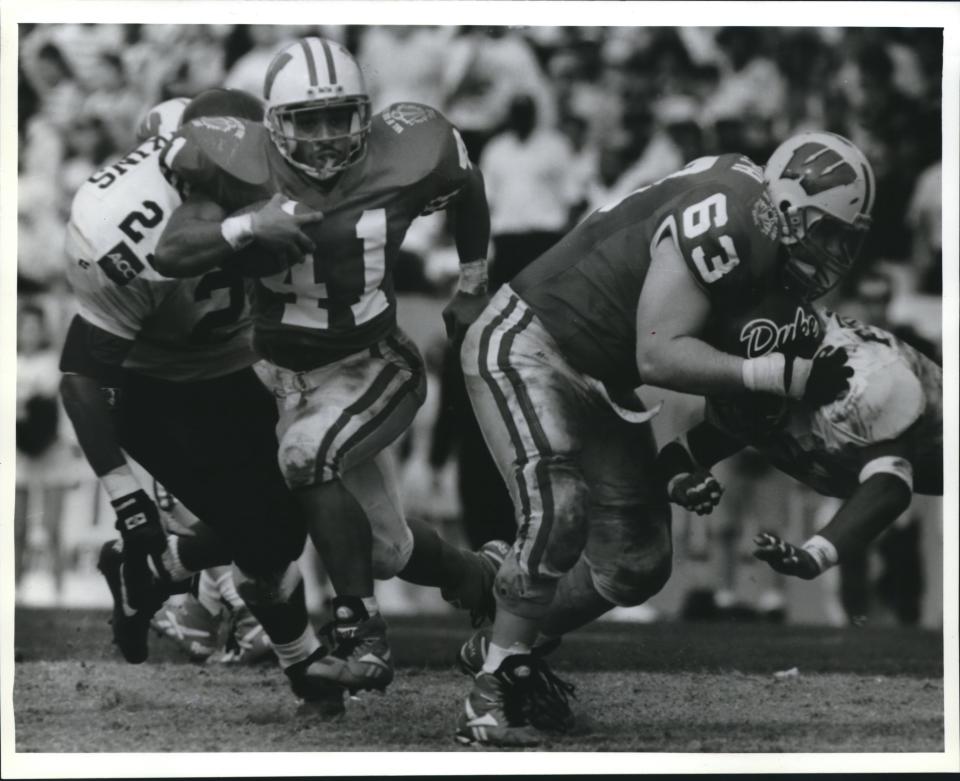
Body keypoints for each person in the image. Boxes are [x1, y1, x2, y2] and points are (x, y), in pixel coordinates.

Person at [454, 131, 874, 746]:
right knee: (559, 506)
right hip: (532, 340)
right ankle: (491, 690)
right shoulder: (734, 215)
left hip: (604, 379)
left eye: (847, 238)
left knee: (637, 564)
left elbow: (734, 403)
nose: (835, 251)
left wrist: (685, 459)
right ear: (787, 208)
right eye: (827, 229)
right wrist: (784, 375)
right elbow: (659, 352)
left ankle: (506, 636)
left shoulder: (779, 288)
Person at [154, 37, 501, 698]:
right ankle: (479, 577)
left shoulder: (411, 148)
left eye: (337, 115)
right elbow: (173, 249)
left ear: (364, 115)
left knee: (305, 457)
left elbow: (468, 181)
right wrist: (247, 226)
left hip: (369, 362)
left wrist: (474, 281)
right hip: (274, 371)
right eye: (306, 119)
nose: (322, 134)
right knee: (385, 548)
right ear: (274, 122)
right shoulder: (236, 162)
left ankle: (358, 626)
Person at [59, 89, 345, 715]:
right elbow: (81, 378)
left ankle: (159, 570)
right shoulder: (119, 222)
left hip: (235, 359)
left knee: (287, 511)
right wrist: (129, 503)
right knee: (272, 528)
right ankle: (304, 669)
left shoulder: (287, 162)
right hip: (155, 384)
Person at [654, 289, 941, 587]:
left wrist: (817, 554)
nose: (741, 407)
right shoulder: (751, 398)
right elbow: (681, 452)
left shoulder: (865, 379)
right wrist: (679, 483)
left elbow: (890, 485)